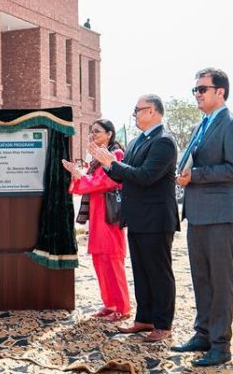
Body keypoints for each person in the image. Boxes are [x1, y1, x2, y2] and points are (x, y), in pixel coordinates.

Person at [173, 68, 233, 367]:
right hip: (197, 215)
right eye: (194, 90)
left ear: (221, 92)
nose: (197, 94)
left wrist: (196, 176)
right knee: (201, 279)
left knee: (221, 282)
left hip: (221, 216)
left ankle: (221, 346)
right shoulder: (201, 125)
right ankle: (203, 334)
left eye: (202, 89)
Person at [92, 95, 180, 343]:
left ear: (152, 111)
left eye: (138, 110)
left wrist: (111, 163)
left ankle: (163, 324)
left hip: (156, 218)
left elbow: (145, 176)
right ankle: (145, 318)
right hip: (138, 217)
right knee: (141, 271)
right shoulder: (136, 142)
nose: (134, 114)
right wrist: (107, 164)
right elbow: (123, 176)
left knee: (159, 272)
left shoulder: (163, 141)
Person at [62, 119, 130, 322]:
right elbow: (91, 183)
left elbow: (106, 181)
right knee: (100, 261)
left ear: (109, 134)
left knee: (113, 261)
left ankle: (122, 307)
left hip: (110, 216)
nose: (93, 135)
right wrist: (78, 175)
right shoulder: (96, 160)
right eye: (91, 132)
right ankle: (109, 304)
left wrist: (80, 177)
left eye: (97, 132)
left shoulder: (115, 155)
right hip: (97, 215)